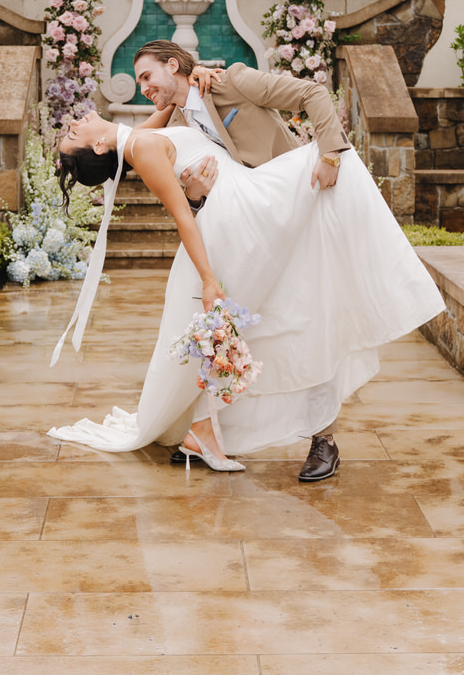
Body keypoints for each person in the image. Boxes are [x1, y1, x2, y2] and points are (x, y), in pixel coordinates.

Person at [48, 102, 445, 481]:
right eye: (71, 133)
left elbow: (164, 109)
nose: (74, 123)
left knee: (267, 316)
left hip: (238, 213)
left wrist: (189, 76)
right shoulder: (140, 144)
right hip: (237, 226)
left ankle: (207, 430)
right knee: (331, 164)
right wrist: (208, 279)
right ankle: (395, 283)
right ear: (98, 146)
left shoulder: (134, 138)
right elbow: (183, 217)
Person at [133, 38, 350, 478]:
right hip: (250, 237)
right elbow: (196, 198)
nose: (144, 88)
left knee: (307, 324)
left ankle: (324, 441)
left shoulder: (229, 81)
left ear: (173, 65)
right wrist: (194, 194)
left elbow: (312, 93)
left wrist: (330, 153)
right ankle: (210, 433)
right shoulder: (177, 124)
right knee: (252, 333)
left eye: (147, 76)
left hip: (300, 212)